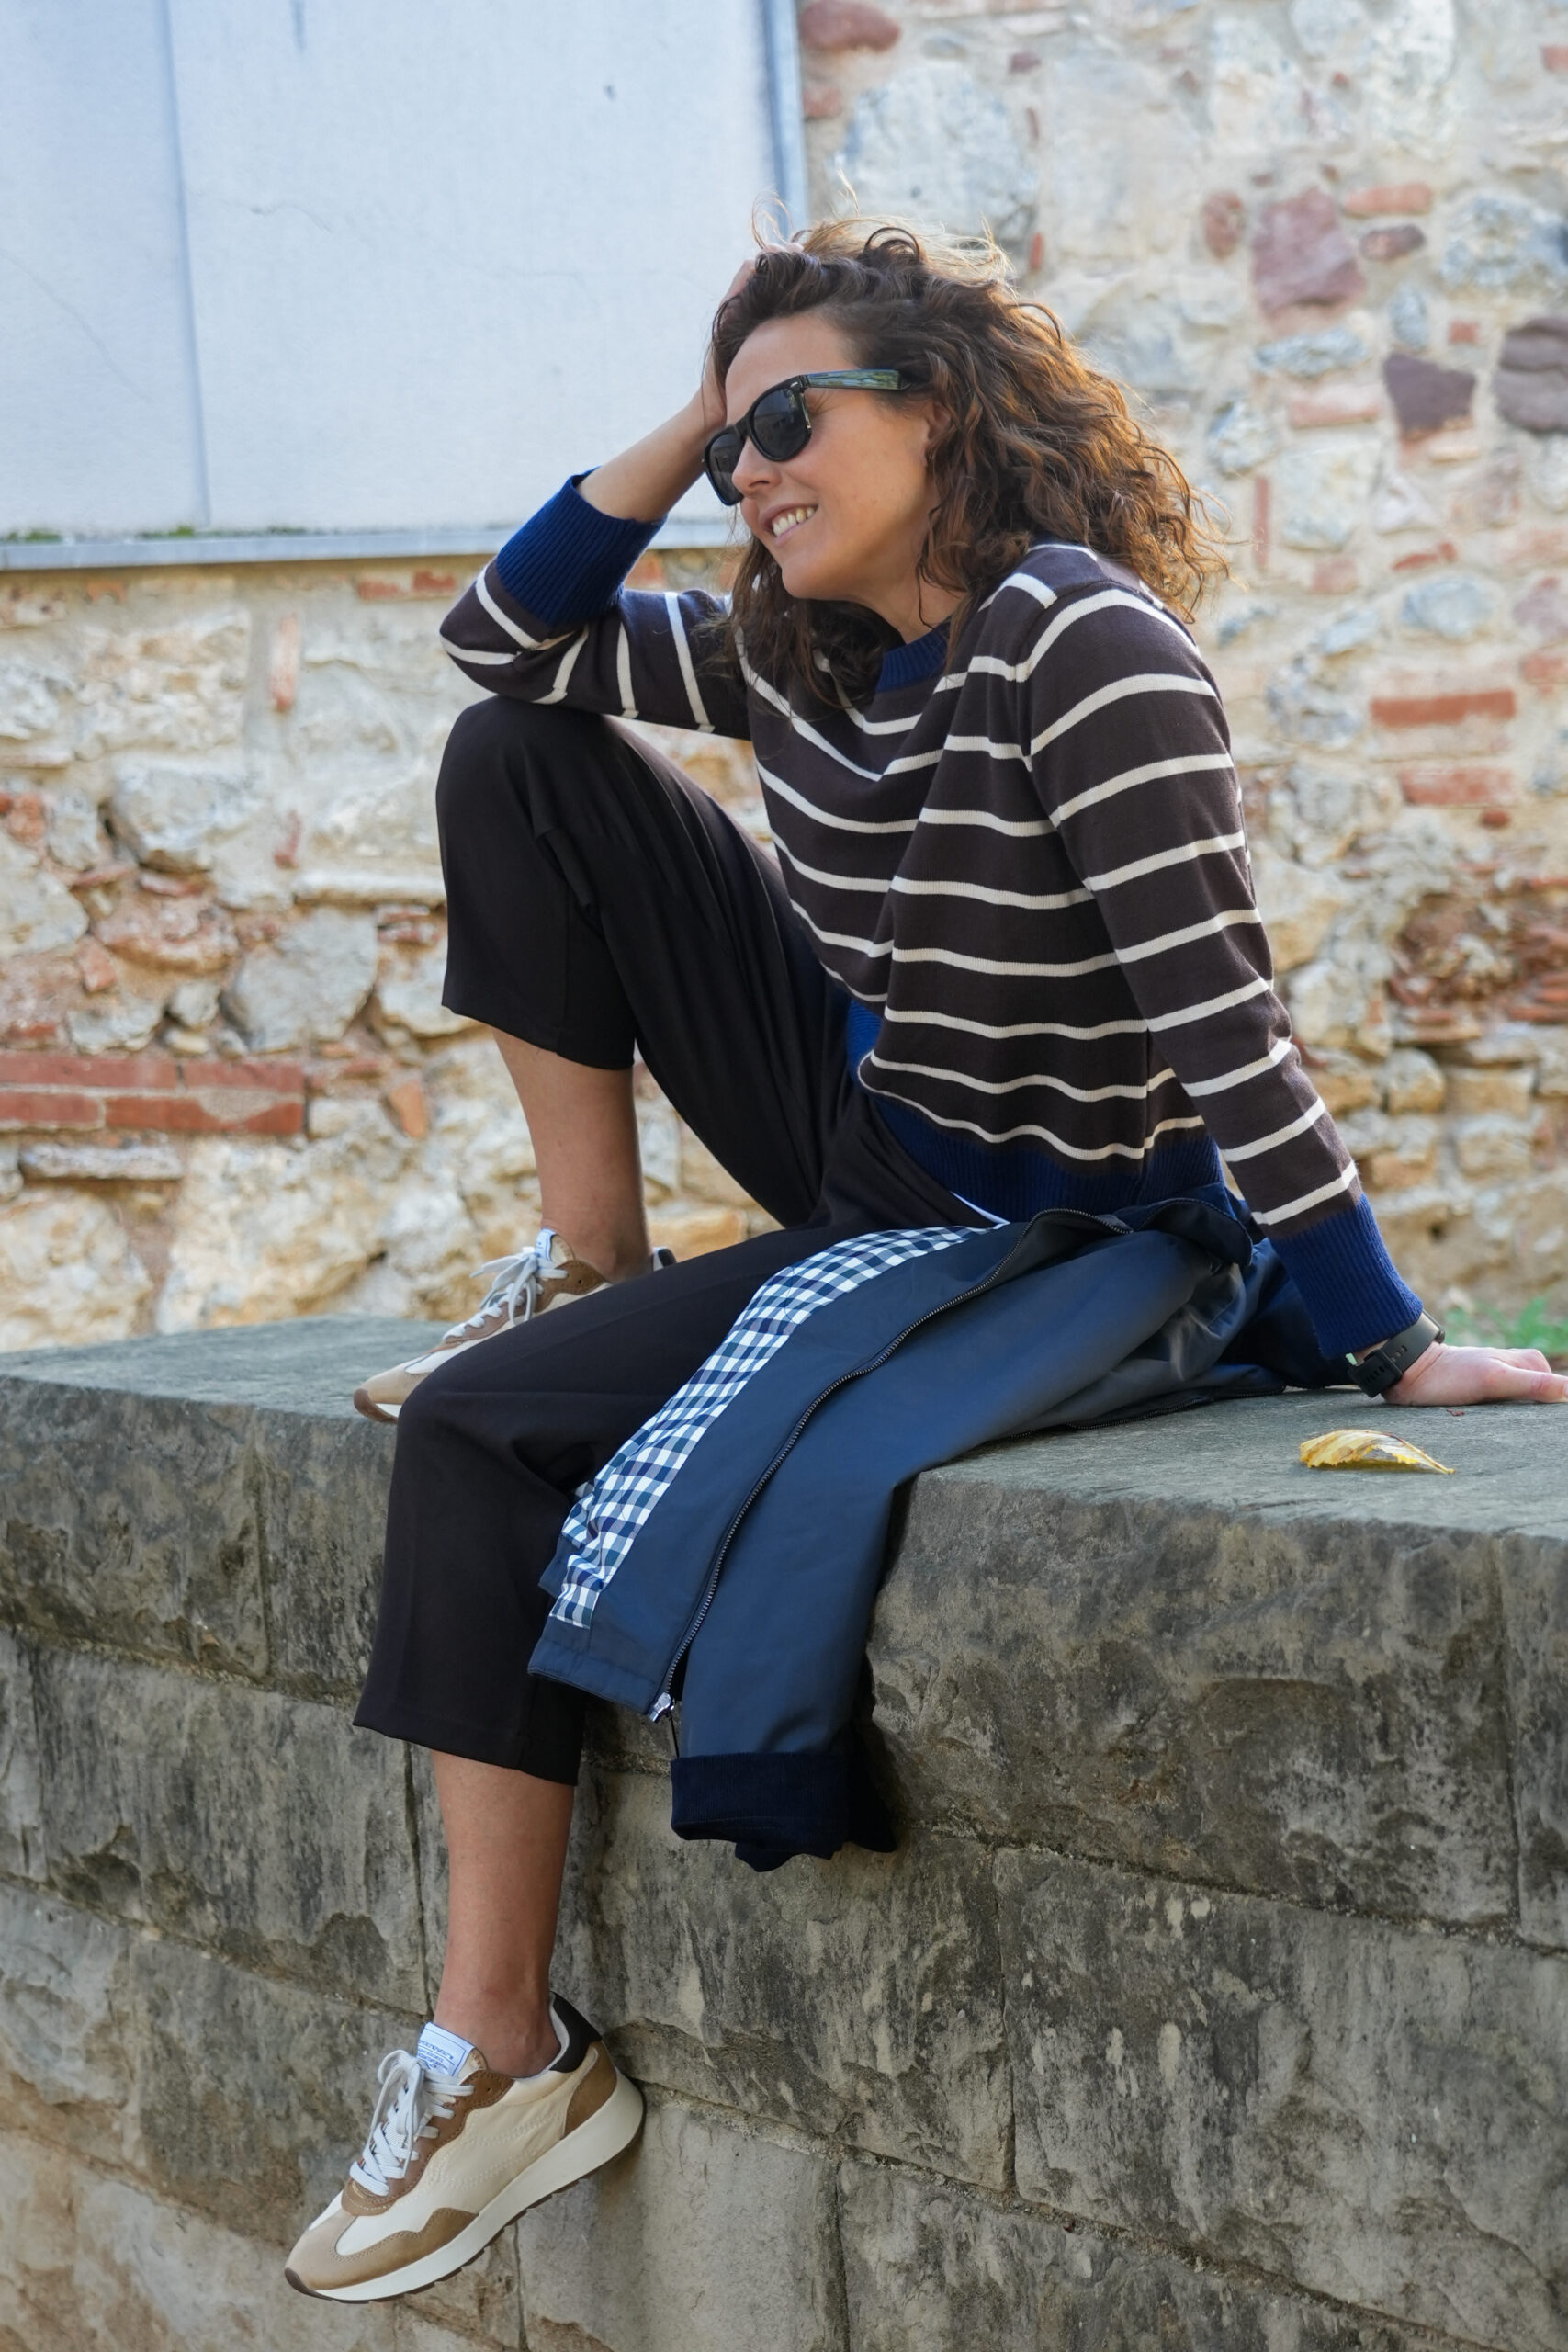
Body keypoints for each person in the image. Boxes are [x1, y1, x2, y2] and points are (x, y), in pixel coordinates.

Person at [284, 222, 1566, 2304]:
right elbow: (497, 643)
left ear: (940, 405)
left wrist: (1388, 1340)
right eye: (733, 443)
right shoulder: (793, 646)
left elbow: (1224, 1021)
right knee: (509, 755)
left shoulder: (1082, 646)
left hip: (1050, 1223)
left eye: (793, 419)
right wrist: (706, 413)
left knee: (477, 1437)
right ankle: (592, 1256)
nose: (752, 473)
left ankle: (499, 2048)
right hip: (867, 1128)